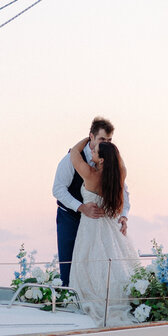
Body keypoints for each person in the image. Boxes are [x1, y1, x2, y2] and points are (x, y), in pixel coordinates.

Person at [68, 136, 139, 322]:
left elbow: (73, 153)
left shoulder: (91, 175)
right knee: (115, 267)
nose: (91, 150)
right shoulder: (120, 174)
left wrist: (88, 137)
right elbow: (118, 162)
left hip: (91, 227)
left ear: (101, 160)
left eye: (94, 150)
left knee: (90, 269)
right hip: (111, 227)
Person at [52, 117, 129, 286]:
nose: (106, 144)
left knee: (102, 264)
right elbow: (58, 189)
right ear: (91, 137)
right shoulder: (71, 161)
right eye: (102, 139)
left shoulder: (110, 163)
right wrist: (81, 208)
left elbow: (123, 191)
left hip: (100, 222)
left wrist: (124, 215)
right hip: (70, 217)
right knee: (70, 265)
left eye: (109, 140)